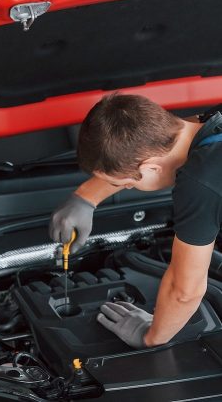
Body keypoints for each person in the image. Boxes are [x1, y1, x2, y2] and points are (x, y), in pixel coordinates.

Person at [49, 94, 222, 349]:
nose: (127, 187)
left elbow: (185, 290)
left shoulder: (200, 183)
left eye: (127, 184)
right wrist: (86, 197)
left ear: (151, 167)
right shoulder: (206, 121)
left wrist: (150, 335)